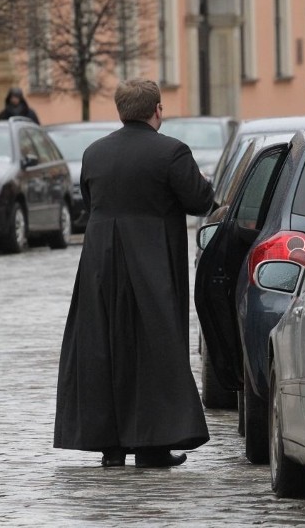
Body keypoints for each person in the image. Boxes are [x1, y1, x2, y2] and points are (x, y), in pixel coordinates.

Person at [54, 78, 213, 468]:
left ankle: (110, 446)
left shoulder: (95, 152)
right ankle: (153, 445)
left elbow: (91, 203)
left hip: (100, 262)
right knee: (155, 347)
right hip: (152, 258)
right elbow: (200, 200)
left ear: (120, 111)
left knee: (104, 346)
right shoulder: (171, 152)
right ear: (157, 109)